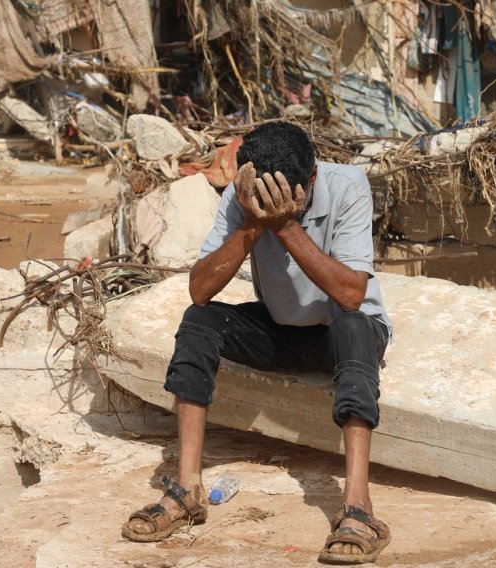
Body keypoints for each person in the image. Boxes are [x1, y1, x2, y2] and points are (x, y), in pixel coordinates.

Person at [121, 121, 393, 565]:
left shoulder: (349, 186)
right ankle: (187, 488)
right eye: (259, 194)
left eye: (286, 194)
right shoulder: (242, 195)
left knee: (352, 324)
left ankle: (358, 506)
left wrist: (285, 226)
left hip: (347, 332)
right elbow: (200, 290)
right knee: (199, 320)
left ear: (311, 179)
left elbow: (350, 294)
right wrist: (251, 225)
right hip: (281, 330)